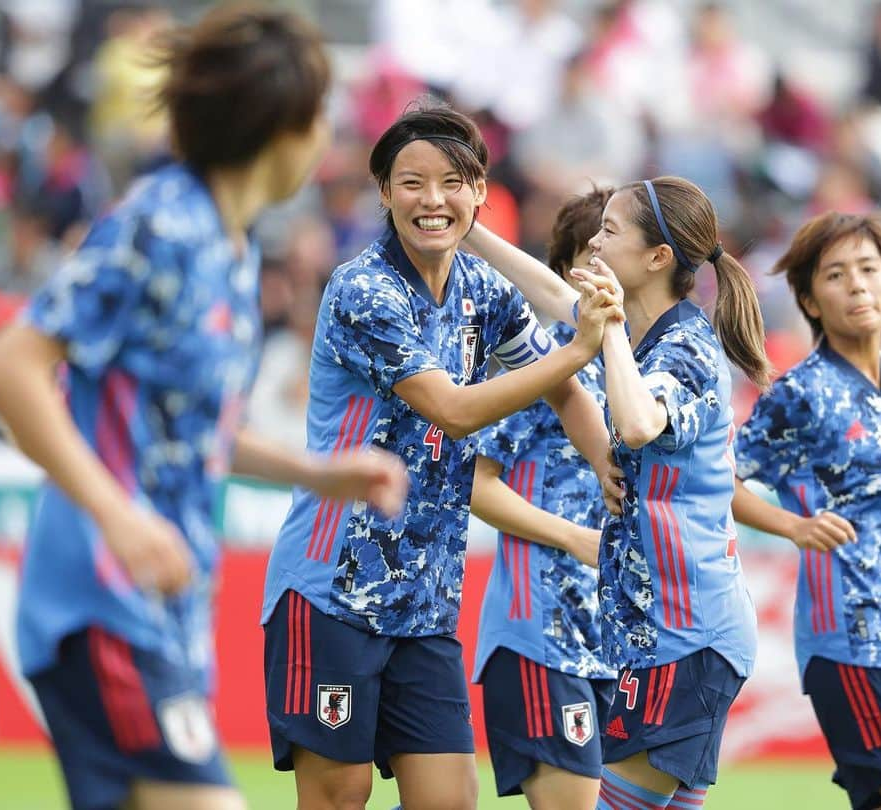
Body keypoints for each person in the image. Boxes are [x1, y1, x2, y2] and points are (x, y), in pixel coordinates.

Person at [0, 7, 409, 810]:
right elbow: (11, 367)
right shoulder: (162, 225)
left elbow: (190, 434)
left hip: (165, 608)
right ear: (283, 126)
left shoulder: (234, 248)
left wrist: (316, 472)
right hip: (104, 599)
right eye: (319, 118)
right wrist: (119, 516)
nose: (325, 141)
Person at [260, 102, 623, 810]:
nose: (433, 200)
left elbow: (570, 396)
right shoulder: (364, 289)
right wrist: (577, 349)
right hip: (331, 589)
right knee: (339, 794)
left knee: (450, 799)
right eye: (412, 183)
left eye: (453, 182)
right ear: (384, 193)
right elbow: (452, 409)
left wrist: (619, 480)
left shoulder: (487, 293)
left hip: (425, 604)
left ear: (481, 193)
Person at [465, 175, 770, 809]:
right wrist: (469, 231)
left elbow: (636, 424)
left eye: (610, 231)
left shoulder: (685, 347)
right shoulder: (642, 335)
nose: (594, 246)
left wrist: (603, 333)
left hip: (686, 633)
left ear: (658, 258)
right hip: (662, 632)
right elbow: (552, 291)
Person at [732, 211, 881, 810]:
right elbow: (714, 480)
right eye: (836, 275)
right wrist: (792, 526)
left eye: (869, 269)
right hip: (853, 639)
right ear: (809, 299)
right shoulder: (798, 393)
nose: (858, 284)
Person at [470, 187, 618, 810]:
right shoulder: (544, 366)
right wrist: (571, 537)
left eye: (622, 247)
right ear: (565, 274)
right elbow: (474, 483)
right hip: (543, 629)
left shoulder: (645, 372)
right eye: (596, 250)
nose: (610, 264)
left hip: (616, 639)